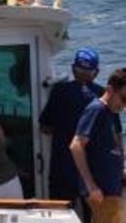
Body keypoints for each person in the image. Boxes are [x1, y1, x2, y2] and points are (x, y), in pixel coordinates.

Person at [40, 48, 103, 212]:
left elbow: (45, 127)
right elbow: (112, 134)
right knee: (94, 220)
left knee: (61, 214)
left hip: (63, 168)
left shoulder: (59, 91)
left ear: (73, 68)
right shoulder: (101, 95)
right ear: (95, 72)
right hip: (92, 168)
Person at [69, 68, 126, 223]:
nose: (124, 106)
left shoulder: (111, 114)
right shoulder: (96, 109)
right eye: (123, 98)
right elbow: (76, 145)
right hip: (102, 193)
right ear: (110, 90)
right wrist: (91, 186)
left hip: (112, 190)